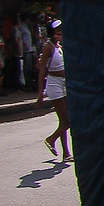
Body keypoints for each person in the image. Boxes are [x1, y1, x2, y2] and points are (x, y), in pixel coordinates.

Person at [37, 21, 70, 158]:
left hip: (64, 83)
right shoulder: (48, 47)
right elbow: (42, 70)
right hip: (54, 84)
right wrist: (40, 94)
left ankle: (66, 153)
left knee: (63, 120)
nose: (60, 34)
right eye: (57, 32)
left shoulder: (59, 47)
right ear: (52, 34)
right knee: (67, 121)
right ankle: (51, 139)